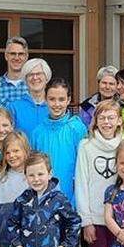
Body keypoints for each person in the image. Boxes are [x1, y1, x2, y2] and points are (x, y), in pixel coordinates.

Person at [75, 99, 122, 247]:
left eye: (111, 117)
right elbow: (82, 183)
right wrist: (86, 221)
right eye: (101, 117)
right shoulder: (86, 146)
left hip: (121, 222)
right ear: (95, 121)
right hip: (96, 219)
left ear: (119, 121)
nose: (106, 122)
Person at [31, 77, 87, 205]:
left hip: (72, 198)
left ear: (68, 100)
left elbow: (84, 165)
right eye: (52, 99)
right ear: (45, 99)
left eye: (61, 99)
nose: (57, 104)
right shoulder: (37, 132)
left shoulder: (77, 128)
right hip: (43, 200)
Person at [7, 58, 50, 135]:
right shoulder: (13, 107)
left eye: (39, 74)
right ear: (25, 80)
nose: (35, 78)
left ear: (46, 78)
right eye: (30, 75)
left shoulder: (54, 106)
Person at [0, 36, 31, 104]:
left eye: (21, 54)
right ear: (6, 56)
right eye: (13, 54)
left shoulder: (33, 84)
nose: (16, 58)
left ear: (26, 57)